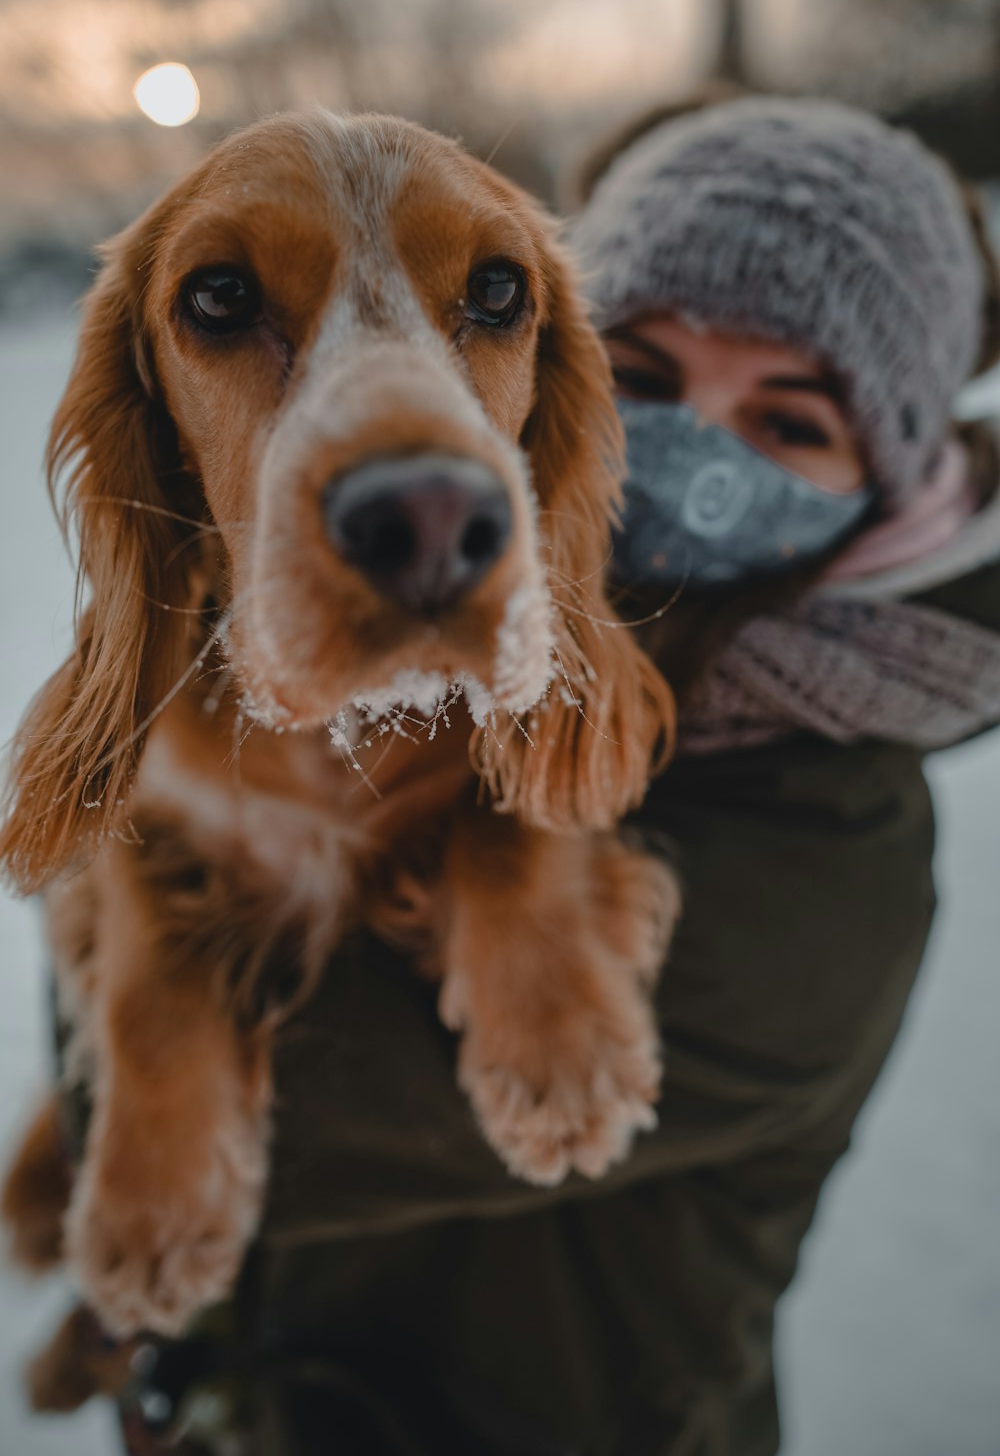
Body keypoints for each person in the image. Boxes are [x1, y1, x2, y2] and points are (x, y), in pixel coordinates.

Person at [43, 96, 1000, 1456]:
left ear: (888, 479)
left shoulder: (830, 840)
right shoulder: (341, 634)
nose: (701, 468)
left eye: (791, 422)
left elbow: (257, 1137)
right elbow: (109, 823)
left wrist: (510, 873)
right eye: (654, 384)